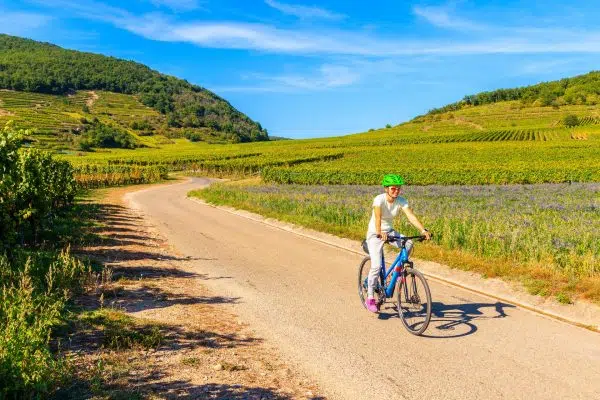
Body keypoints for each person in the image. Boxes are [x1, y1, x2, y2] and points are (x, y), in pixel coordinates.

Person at [364, 174, 431, 313]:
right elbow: (378, 217)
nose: (396, 191)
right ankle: (370, 297)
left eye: (398, 189)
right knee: (376, 267)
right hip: (375, 234)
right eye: (393, 188)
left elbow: (411, 216)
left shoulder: (401, 201)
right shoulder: (379, 200)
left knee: (409, 244)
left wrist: (423, 230)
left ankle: (399, 271)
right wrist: (379, 232)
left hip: (389, 231)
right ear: (386, 189)